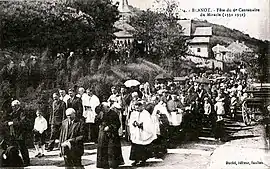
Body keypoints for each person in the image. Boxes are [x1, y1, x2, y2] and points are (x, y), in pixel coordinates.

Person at [95, 102, 124, 169]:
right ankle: (103, 164)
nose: (104, 110)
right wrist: (99, 121)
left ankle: (113, 164)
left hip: (112, 135)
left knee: (112, 150)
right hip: (103, 134)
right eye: (103, 109)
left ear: (108, 107)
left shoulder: (114, 114)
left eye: (104, 108)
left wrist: (110, 127)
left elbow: (117, 124)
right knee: (102, 149)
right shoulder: (101, 113)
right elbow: (96, 121)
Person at [129, 100, 157, 166]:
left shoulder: (146, 113)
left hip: (143, 131)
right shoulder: (134, 113)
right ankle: (136, 159)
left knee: (143, 146)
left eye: (138, 107)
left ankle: (143, 160)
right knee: (135, 145)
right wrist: (134, 123)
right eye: (136, 108)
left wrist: (142, 125)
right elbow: (131, 121)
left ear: (142, 107)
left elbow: (148, 123)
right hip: (136, 132)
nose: (137, 109)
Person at [4, 100, 30, 166]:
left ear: (17, 106)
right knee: (14, 147)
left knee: (22, 147)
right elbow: (7, 119)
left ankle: (26, 162)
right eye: (12, 106)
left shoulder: (22, 112)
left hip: (21, 132)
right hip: (15, 132)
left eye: (13, 106)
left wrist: (13, 123)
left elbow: (23, 122)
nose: (12, 108)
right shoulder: (13, 113)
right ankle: (15, 161)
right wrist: (7, 123)